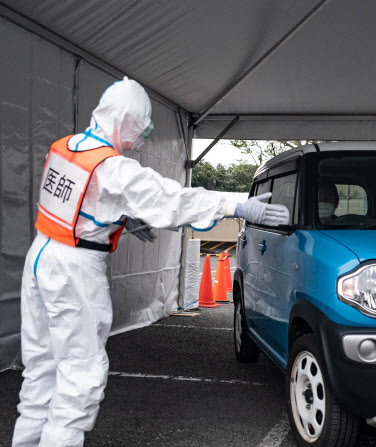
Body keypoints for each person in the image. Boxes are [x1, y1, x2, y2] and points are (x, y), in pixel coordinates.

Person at [12, 77, 289, 447]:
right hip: (74, 271)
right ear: (126, 120)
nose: (142, 136)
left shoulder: (65, 147)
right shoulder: (112, 168)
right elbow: (169, 198)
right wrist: (235, 204)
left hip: (42, 257)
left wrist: (121, 217)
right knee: (80, 375)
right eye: (142, 127)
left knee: (40, 371)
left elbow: (79, 202)